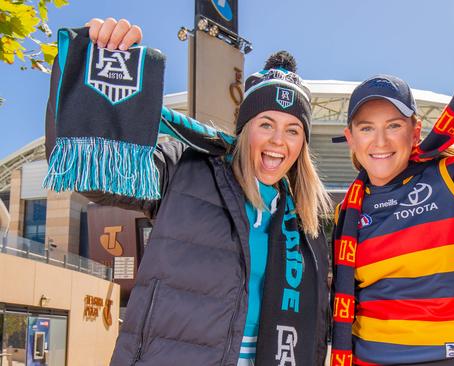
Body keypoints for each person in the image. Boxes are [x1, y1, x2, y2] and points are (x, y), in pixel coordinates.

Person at [45, 18, 332, 366]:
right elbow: (96, 178)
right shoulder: (186, 168)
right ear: (244, 131)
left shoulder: (305, 220)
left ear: (302, 143)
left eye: (292, 130)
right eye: (266, 124)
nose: (277, 141)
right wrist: (93, 67)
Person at [331, 75, 454, 366]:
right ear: (351, 139)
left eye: (393, 125)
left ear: (415, 131)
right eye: (367, 128)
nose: (380, 141)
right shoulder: (345, 211)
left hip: (452, 358)